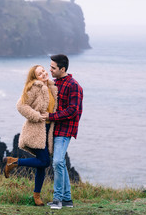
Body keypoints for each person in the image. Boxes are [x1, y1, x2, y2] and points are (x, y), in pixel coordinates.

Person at [3, 65, 58, 206]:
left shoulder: (52, 87)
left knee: (41, 164)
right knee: (45, 162)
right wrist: (37, 116)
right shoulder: (34, 87)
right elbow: (21, 106)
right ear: (35, 78)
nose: (44, 74)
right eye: (40, 73)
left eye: (44, 71)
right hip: (36, 130)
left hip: (47, 130)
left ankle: (36, 196)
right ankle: (14, 162)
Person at [46, 54, 83, 210]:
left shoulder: (74, 85)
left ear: (62, 69)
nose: (50, 70)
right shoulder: (54, 84)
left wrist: (51, 116)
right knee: (59, 163)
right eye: (50, 67)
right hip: (54, 129)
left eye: (53, 68)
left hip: (66, 129)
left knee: (58, 162)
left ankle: (57, 200)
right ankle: (67, 200)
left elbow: (73, 110)